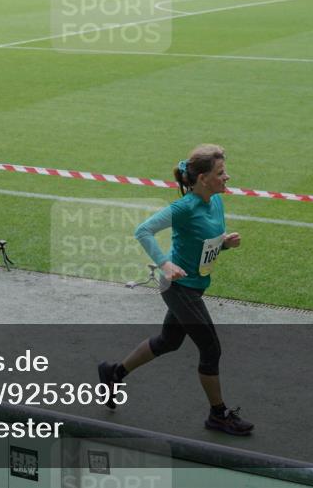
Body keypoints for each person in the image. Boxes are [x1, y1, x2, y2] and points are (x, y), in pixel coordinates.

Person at [98, 144, 253, 435]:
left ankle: (114, 372)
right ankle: (217, 415)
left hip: (195, 285)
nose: (227, 177)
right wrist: (165, 263)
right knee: (210, 348)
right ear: (204, 178)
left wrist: (224, 244)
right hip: (178, 286)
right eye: (221, 173)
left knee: (169, 341)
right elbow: (143, 230)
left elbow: (204, 243)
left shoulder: (216, 200)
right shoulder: (184, 207)